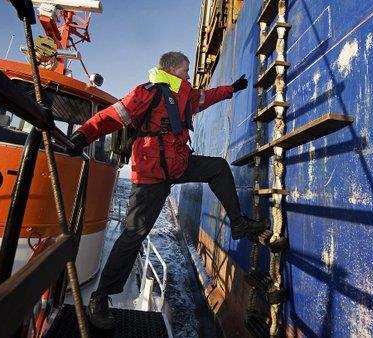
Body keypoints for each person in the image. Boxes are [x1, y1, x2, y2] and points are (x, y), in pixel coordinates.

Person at [68, 51, 268, 329]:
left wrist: (231, 89)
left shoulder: (184, 93)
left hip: (178, 165)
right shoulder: (148, 92)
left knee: (218, 168)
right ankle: (100, 298)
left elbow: (205, 97)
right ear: (173, 68)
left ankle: (239, 224)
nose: (190, 73)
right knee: (134, 234)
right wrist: (83, 134)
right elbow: (114, 115)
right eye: (186, 69)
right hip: (150, 175)